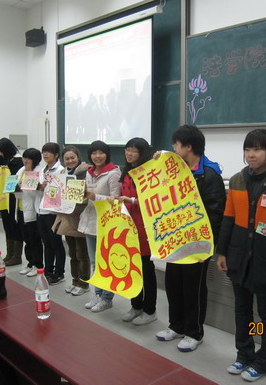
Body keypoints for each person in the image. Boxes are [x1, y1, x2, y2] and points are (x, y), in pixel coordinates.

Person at [215, 129, 266, 382]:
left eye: (257, 149)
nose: (251, 154)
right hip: (238, 257)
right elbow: (228, 219)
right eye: (247, 149)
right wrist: (221, 252)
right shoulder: (237, 180)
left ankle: (264, 361)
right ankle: (244, 354)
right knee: (241, 309)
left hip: (265, 259)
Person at [155, 125, 226, 352]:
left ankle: (194, 332)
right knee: (173, 283)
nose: (173, 148)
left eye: (176, 144)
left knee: (193, 288)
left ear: (188, 147)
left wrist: (207, 247)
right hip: (176, 240)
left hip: (197, 244)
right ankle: (176, 326)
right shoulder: (177, 170)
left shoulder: (209, 174)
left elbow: (215, 214)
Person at [117, 138, 158, 325]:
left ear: (143, 153)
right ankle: (136, 306)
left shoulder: (149, 172)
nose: (129, 153)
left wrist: (131, 201)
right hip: (129, 227)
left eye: (134, 150)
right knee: (132, 269)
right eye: (127, 149)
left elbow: (155, 201)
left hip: (145, 229)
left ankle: (150, 311)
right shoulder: (126, 172)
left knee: (147, 271)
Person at [78, 140, 121, 312]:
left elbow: (116, 200)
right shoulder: (88, 172)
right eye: (94, 153)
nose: (97, 156)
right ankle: (98, 293)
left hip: (106, 223)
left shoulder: (113, 173)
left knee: (107, 263)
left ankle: (107, 298)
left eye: (101, 153)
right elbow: (86, 196)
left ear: (107, 154)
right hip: (90, 222)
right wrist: (77, 195)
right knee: (95, 262)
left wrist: (94, 196)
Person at [53, 146, 91, 296]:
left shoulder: (86, 171)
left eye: (72, 158)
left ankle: (84, 283)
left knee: (82, 253)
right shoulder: (62, 173)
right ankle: (75, 281)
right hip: (67, 216)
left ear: (78, 157)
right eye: (67, 159)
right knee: (73, 253)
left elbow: (86, 195)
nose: (70, 161)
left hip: (80, 216)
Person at [36, 143, 66, 284]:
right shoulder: (43, 170)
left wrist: (49, 186)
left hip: (53, 212)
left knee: (56, 243)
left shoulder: (61, 170)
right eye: (44, 152)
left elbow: (62, 189)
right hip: (41, 210)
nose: (45, 154)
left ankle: (59, 273)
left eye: (48, 152)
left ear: (56, 155)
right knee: (46, 243)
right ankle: (48, 270)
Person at [14, 148, 44, 278]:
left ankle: (38, 265)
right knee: (26, 238)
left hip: (32, 209)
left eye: (28, 159)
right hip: (21, 208)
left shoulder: (38, 172)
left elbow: (35, 193)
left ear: (35, 160)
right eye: (24, 158)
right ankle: (30, 263)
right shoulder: (21, 171)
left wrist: (26, 186)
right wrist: (14, 188)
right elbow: (15, 186)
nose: (25, 161)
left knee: (34, 239)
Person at [0, 137, 24, 266]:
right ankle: (9, 253)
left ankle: (16, 256)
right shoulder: (4, 159)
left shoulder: (18, 161)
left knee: (14, 224)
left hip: (13, 198)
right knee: (7, 224)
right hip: (4, 198)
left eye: (2, 151)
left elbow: (16, 179)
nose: (1, 154)